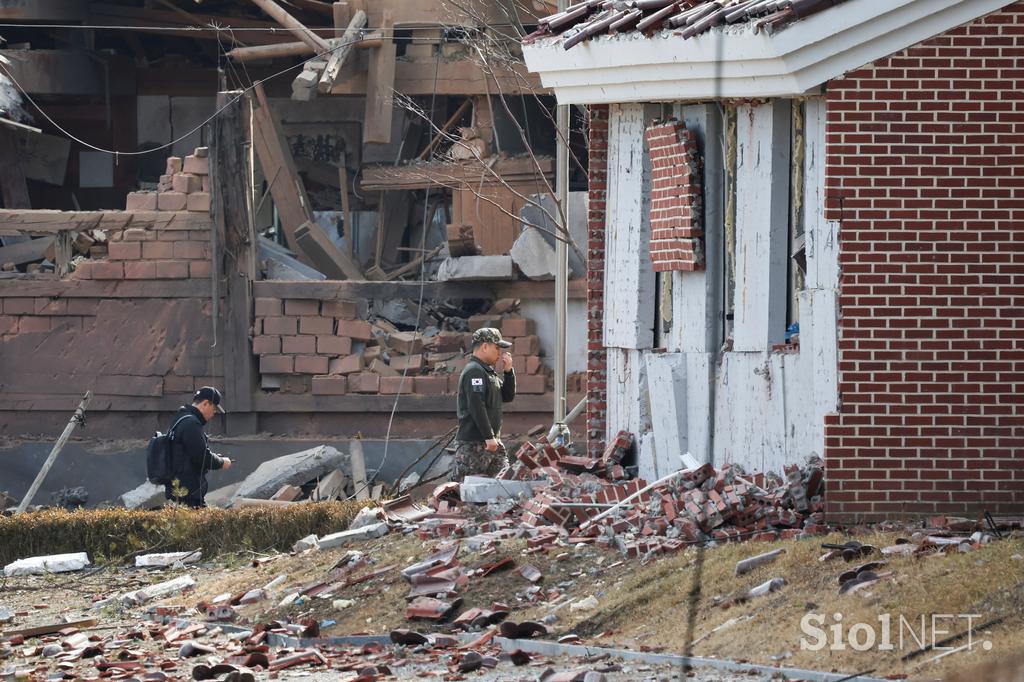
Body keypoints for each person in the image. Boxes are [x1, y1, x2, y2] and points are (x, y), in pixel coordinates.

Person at [453, 327, 516, 481]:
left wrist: (508, 372)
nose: (499, 353)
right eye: (496, 348)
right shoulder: (474, 371)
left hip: (492, 442)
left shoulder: (487, 372)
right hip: (475, 444)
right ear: (485, 346)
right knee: (466, 489)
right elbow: (476, 405)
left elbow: (507, 396)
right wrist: (488, 437)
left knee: (503, 485)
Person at [165, 386, 232, 507]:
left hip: (178, 489)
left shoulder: (180, 418)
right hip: (189, 494)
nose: (214, 414)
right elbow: (202, 457)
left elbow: (191, 453)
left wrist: (215, 457)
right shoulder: (191, 423)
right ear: (206, 403)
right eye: (214, 409)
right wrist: (222, 462)